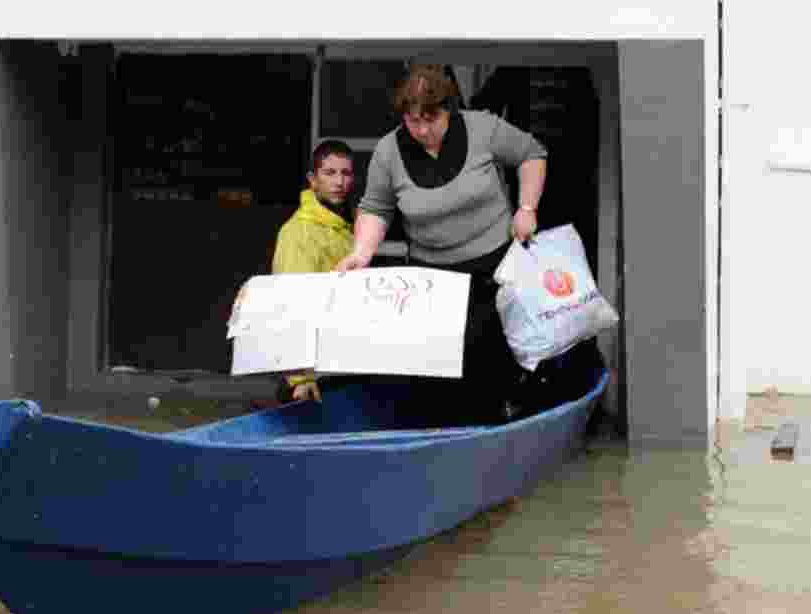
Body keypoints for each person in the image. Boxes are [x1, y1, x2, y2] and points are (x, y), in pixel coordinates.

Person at [335, 63, 579, 427]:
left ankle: (508, 425)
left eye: (429, 119)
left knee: (498, 355)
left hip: (497, 264)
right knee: (441, 367)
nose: (421, 130)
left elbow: (532, 154)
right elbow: (375, 207)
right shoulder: (389, 152)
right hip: (434, 276)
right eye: (412, 121)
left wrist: (527, 208)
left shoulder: (482, 127)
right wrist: (361, 252)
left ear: (448, 109)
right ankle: (452, 434)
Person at [236, 139, 357, 403]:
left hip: (339, 361)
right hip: (312, 376)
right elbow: (290, 305)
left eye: (346, 173)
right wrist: (300, 379)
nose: (339, 182)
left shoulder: (346, 228)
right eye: (330, 173)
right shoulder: (299, 233)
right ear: (313, 180)